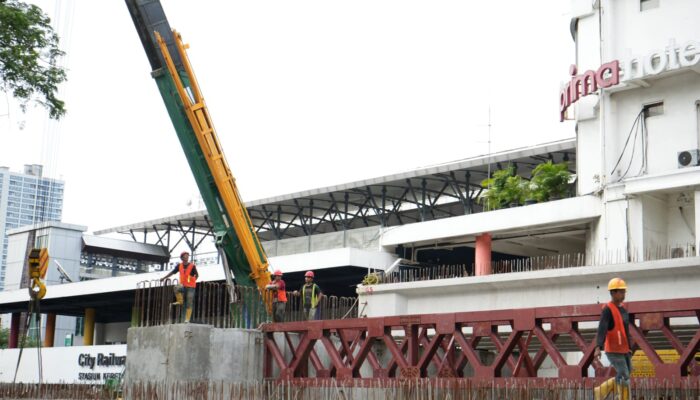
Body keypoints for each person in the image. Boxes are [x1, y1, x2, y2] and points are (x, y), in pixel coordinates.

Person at [594, 277, 631, 400]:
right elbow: (602, 328)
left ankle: (600, 391)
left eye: (624, 292)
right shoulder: (607, 310)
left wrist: (629, 348)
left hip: (624, 349)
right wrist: (598, 347)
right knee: (624, 375)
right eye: (621, 292)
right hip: (613, 350)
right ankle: (624, 398)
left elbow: (625, 331)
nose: (623, 294)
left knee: (626, 373)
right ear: (613, 293)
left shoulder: (623, 310)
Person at [160, 251, 198, 323]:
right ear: (182, 258)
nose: (186, 257)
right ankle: (180, 301)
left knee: (189, 302)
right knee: (176, 288)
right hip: (183, 285)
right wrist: (164, 278)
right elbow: (172, 272)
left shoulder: (192, 266)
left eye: (187, 256)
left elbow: (197, 275)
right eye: (185, 256)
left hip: (191, 287)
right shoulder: (179, 266)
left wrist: (192, 281)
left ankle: (187, 319)